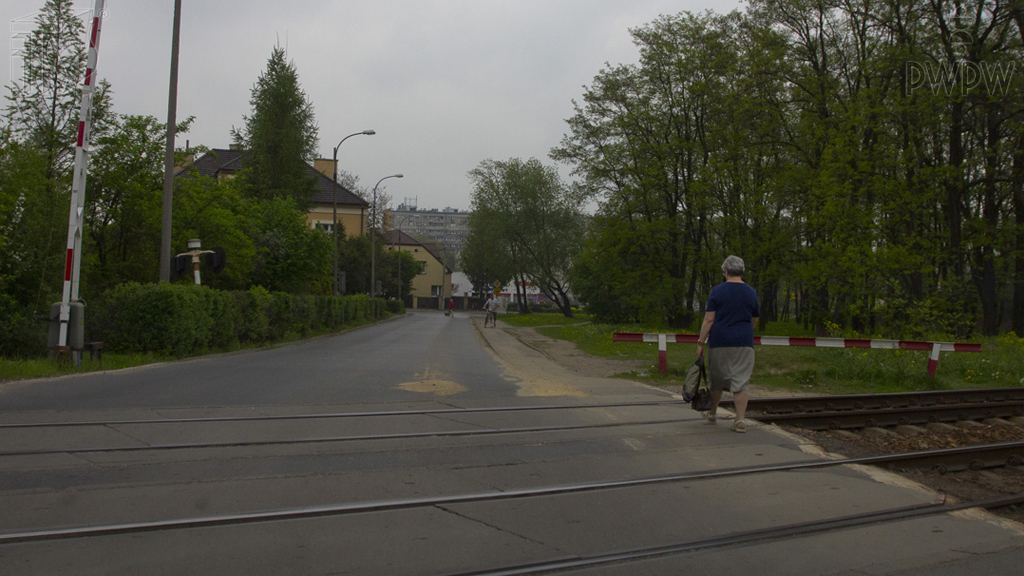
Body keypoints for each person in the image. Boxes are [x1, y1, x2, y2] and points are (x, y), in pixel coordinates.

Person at [696, 255, 760, 433]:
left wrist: (700, 342)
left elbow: (709, 320)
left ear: (726, 271)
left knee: (717, 379)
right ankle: (740, 420)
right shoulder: (751, 292)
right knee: (741, 381)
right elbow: (754, 319)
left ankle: (712, 413)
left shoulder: (717, 291)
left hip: (720, 341)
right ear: (742, 271)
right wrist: (745, 330)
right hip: (744, 342)